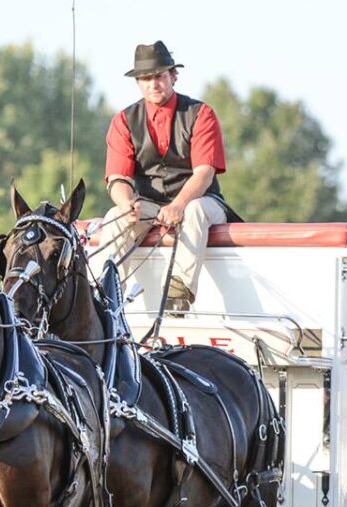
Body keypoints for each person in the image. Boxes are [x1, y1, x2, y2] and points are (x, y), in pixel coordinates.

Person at [91, 40, 239, 311]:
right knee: (115, 216)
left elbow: (204, 173)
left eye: (159, 76)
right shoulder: (123, 121)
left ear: (173, 76)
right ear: (138, 83)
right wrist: (127, 205)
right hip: (148, 204)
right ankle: (105, 295)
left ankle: (178, 295)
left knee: (194, 210)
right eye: (146, 78)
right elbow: (117, 178)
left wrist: (178, 205)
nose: (153, 84)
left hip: (202, 201)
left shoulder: (200, 114)